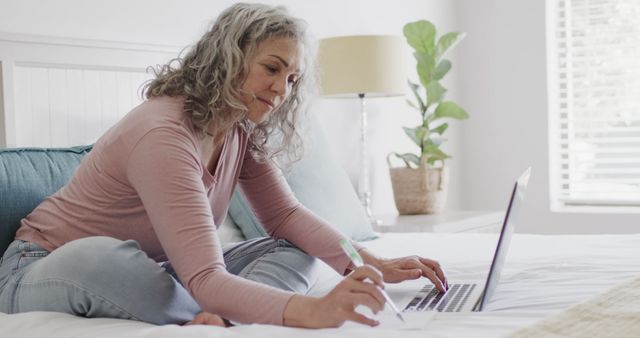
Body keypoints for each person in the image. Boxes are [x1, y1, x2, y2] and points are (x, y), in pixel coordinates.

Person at [0, 3, 447, 328]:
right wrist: (313, 311)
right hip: (43, 266)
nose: (282, 89)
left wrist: (370, 262)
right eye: (271, 69)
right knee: (101, 257)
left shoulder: (238, 127)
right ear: (228, 59)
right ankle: (216, 312)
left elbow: (285, 216)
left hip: (164, 270)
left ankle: (221, 316)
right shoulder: (163, 134)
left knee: (292, 247)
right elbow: (205, 276)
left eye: (292, 79)